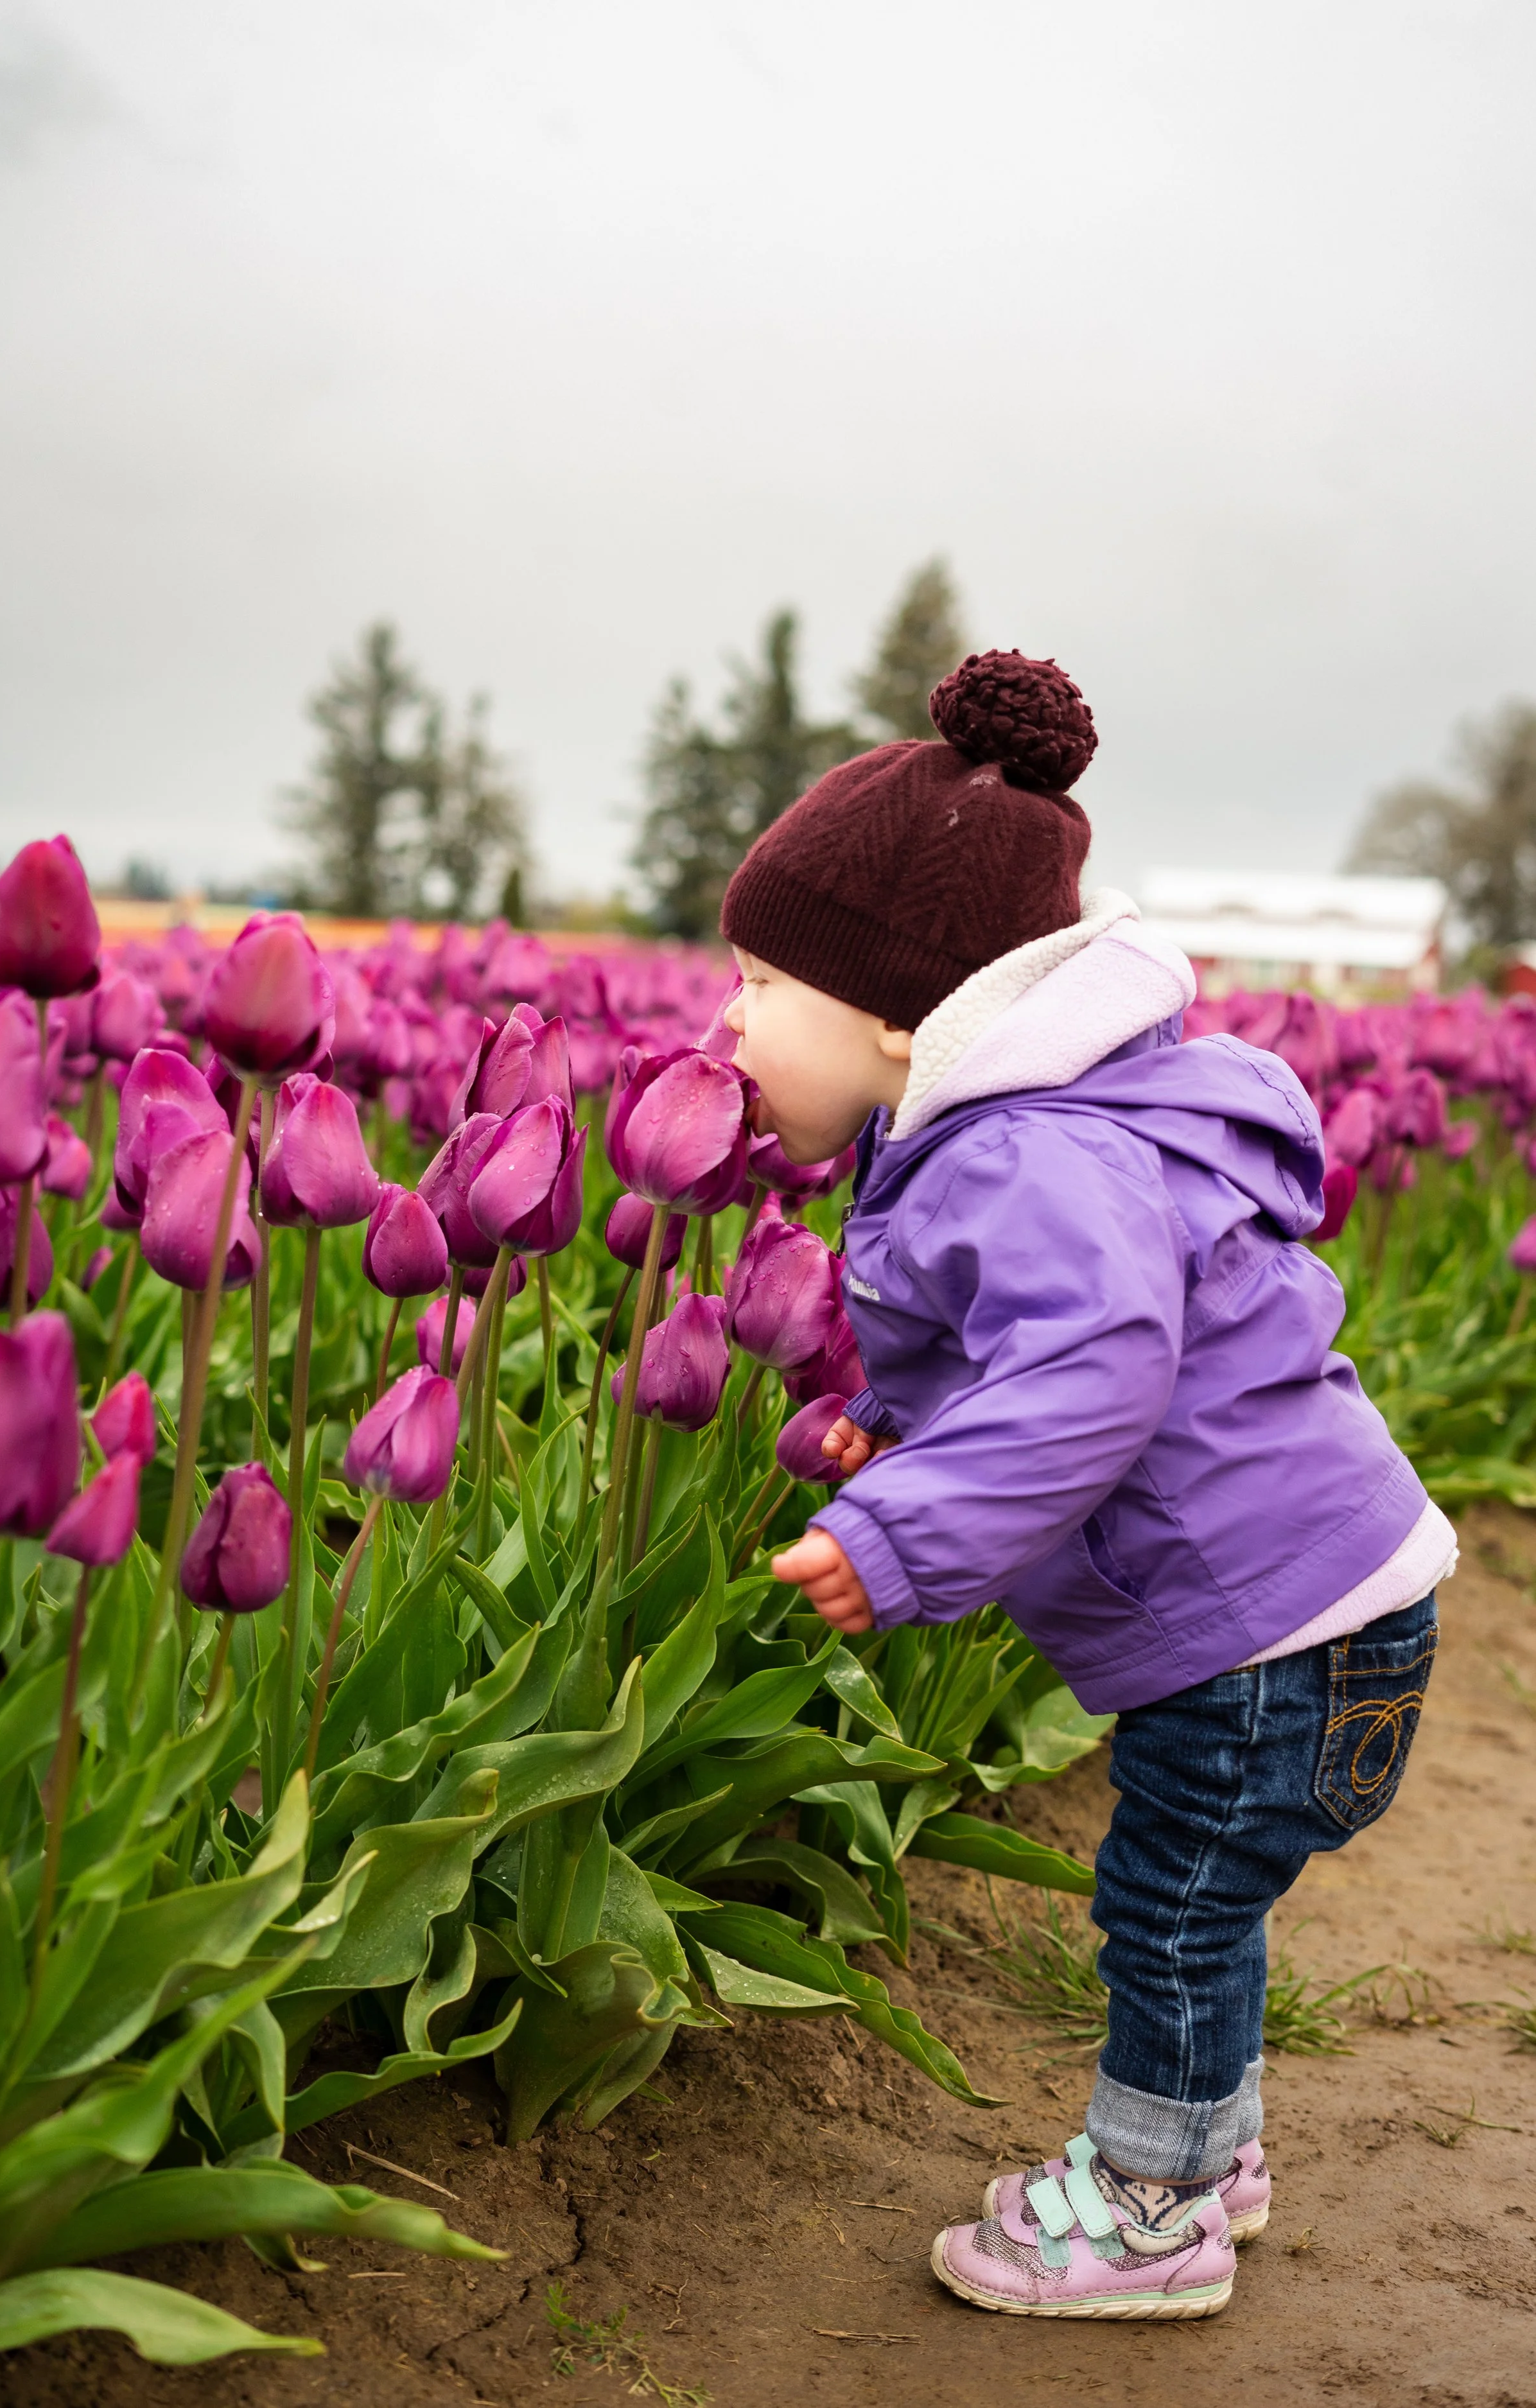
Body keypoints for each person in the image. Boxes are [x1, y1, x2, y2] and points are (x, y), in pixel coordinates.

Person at [719, 647, 1452, 2323]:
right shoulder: (1035, 1122)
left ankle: (1148, 2213)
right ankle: (1208, 2152)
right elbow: (1041, 1356)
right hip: (1318, 1604)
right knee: (1203, 1900)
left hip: (1267, 1634)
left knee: (1170, 1910)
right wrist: (895, 1432)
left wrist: (899, 1533)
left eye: (759, 980)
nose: (728, 1018)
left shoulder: (1023, 1148)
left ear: (898, 1015)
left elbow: (1094, 1373)